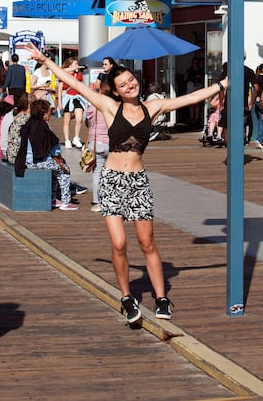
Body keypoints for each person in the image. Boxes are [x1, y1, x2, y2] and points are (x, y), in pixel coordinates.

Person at [25, 42, 229, 324]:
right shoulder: (109, 107)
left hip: (138, 182)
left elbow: (192, 98)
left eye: (131, 80)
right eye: (123, 84)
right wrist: (45, 60)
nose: (129, 85)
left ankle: (161, 297)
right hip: (111, 180)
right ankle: (126, 297)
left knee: (147, 243)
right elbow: (71, 81)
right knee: (119, 244)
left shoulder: (153, 107)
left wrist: (224, 84)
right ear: (117, 90)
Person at [14, 98, 78, 211]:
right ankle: (66, 202)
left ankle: (53, 199)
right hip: (38, 161)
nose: (50, 114)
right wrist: (58, 157)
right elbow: (53, 147)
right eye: (49, 112)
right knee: (64, 171)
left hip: (26, 161)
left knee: (54, 172)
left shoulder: (28, 123)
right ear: (44, 113)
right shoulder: (43, 126)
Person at [85, 80, 110, 212]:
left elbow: (87, 117)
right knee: (111, 173)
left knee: (97, 173)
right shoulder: (115, 106)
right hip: (111, 143)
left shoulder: (95, 106)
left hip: (96, 143)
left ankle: (98, 202)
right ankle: (111, 200)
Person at [57, 57, 86, 149]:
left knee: (79, 119)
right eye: (75, 64)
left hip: (77, 97)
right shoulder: (64, 74)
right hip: (67, 98)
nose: (77, 66)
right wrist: (59, 102)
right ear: (70, 65)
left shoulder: (79, 74)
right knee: (67, 121)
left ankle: (76, 137)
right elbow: (60, 89)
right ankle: (67, 140)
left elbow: (81, 85)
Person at [249, 63, 263, 150]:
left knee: (259, 120)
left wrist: (252, 103)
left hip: (256, 101)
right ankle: (260, 139)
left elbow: (255, 89)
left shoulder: (256, 78)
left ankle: (257, 137)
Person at [6, 94, 31, 164]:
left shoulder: (18, 116)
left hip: (11, 154)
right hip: (19, 157)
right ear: (29, 105)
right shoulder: (27, 118)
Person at [183, 57, 204, 126]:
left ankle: (196, 119)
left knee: (197, 103)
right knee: (191, 103)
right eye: (194, 63)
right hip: (191, 86)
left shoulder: (200, 70)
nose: (195, 64)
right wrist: (186, 75)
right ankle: (191, 118)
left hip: (198, 86)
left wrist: (199, 77)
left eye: (196, 63)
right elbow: (185, 79)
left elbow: (204, 79)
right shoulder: (189, 70)